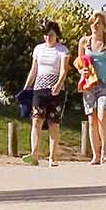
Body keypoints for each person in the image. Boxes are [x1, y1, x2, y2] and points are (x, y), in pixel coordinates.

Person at [22, 20, 69, 166]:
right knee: (36, 119)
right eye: (46, 35)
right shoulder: (38, 49)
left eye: (51, 35)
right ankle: (34, 153)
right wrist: (26, 87)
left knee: (53, 123)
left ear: (56, 36)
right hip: (39, 88)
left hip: (56, 90)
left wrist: (59, 84)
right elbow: (34, 69)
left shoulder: (62, 50)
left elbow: (64, 70)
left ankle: (52, 157)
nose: (48, 38)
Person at [76, 11, 106, 165]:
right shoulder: (84, 42)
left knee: (102, 116)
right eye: (93, 23)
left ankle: (105, 151)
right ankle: (95, 155)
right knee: (92, 119)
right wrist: (82, 71)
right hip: (89, 83)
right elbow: (79, 63)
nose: (95, 26)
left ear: (104, 26)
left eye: (98, 23)